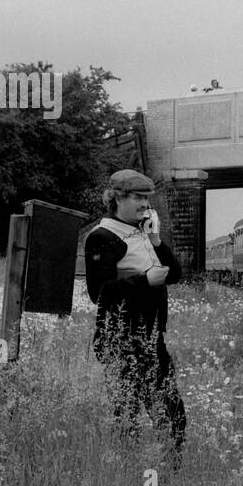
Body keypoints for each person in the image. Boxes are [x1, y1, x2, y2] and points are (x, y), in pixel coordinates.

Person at [84, 169, 189, 466]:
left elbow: (177, 275)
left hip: (151, 337)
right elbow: (99, 292)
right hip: (121, 339)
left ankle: (169, 472)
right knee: (128, 414)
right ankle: (129, 474)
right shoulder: (102, 237)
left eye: (147, 198)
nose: (145, 204)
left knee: (172, 412)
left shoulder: (142, 233)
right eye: (138, 197)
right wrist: (145, 280)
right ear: (117, 198)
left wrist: (156, 240)